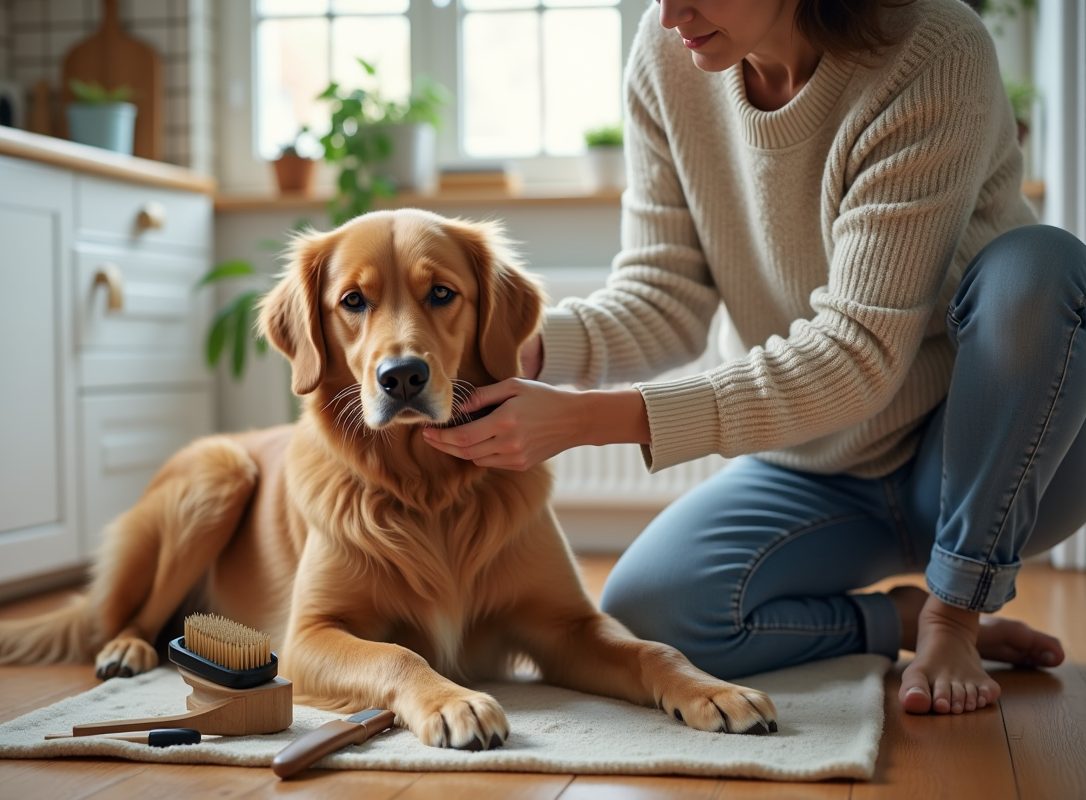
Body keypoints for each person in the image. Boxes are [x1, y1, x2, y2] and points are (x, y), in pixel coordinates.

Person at [423, 0, 1086, 716]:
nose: (671, 13)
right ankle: (895, 621)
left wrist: (587, 419)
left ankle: (955, 611)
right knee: (649, 610)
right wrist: (521, 346)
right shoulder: (667, 52)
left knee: (1040, 268)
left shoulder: (932, 47)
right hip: (817, 473)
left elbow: (855, 353)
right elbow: (663, 295)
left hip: (986, 457)